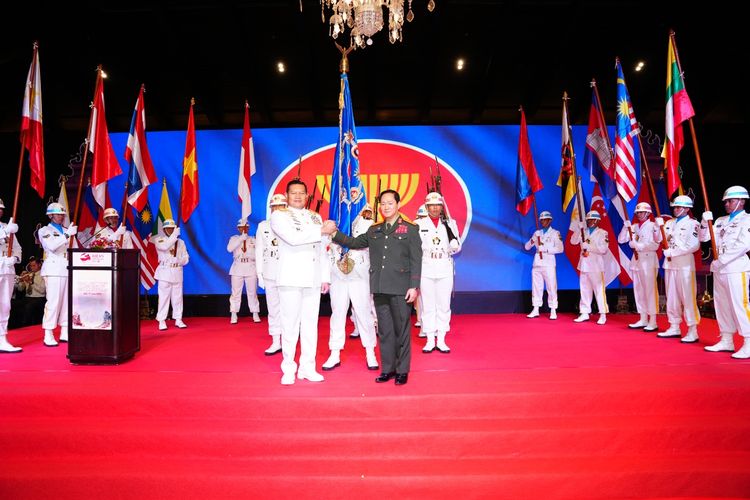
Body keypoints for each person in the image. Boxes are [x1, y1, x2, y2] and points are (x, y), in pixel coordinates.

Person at [324, 189, 422, 386]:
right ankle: (388, 369)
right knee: (385, 330)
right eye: (383, 203)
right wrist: (333, 233)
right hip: (379, 287)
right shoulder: (374, 230)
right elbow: (353, 242)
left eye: (390, 203)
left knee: (401, 330)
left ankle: (402, 370)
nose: (386, 207)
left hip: (401, 288)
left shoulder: (410, 229)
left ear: (398, 204)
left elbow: (416, 260)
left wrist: (414, 286)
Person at [270, 180, 330, 385]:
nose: (297, 196)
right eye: (293, 193)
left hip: (312, 278)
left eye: (301, 193)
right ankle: (288, 368)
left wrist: (325, 277)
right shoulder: (279, 216)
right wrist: (321, 231)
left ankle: (307, 367)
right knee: (290, 325)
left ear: (307, 196)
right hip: (290, 277)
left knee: (310, 326)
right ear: (286, 196)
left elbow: (323, 248)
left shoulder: (315, 217)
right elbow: (293, 238)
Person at [323, 204, 379, 371]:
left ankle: (370, 352)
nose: (349, 199)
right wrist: (325, 277)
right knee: (337, 314)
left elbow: (369, 248)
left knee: (364, 314)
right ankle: (334, 352)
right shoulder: (333, 221)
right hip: (338, 275)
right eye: (346, 195)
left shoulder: (369, 224)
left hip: (359, 275)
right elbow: (326, 251)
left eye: (354, 196)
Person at [699, 186, 750, 358]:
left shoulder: (747, 220)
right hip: (720, 269)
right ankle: (727, 340)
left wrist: (721, 260)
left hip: (736, 268)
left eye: (731, 201)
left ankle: (748, 342)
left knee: (740, 305)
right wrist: (704, 223)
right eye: (726, 201)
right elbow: (704, 238)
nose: (727, 204)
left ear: (742, 201)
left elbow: (743, 245)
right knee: (722, 305)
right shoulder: (720, 220)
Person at [416, 191, 461, 353]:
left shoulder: (450, 223)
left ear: (442, 206)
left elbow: (458, 246)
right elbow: (414, 249)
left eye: (437, 205)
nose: (435, 208)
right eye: (431, 205)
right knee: (428, 306)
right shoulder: (419, 225)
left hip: (444, 266)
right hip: (426, 267)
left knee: (443, 305)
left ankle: (441, 339)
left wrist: (454, 245)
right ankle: (429, 339)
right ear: (426, 207)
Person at [655, 195, 701, 342]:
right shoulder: (669, 222)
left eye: (679, 207)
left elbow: (693, 246)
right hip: (669, 265)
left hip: (684, 265)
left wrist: (673, 252)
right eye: (674, 207)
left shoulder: (693, 224)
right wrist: (658, 228)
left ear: (687, 209)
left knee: (687, 298)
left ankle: (692, 330)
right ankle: (674, 326)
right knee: (672, 297)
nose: (676, 209)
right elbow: (658, 240)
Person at [617, 202, 661, 332]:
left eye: (641, 212)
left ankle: (652, 320)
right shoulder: (634, 227)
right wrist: (626, 228)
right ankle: (643, 318)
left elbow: (655, 244)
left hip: (648, 260)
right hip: (636, 262)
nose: (639, 214)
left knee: (650, 291)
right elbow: (621, 240)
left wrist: (638, 246)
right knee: (639, 291)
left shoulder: (654, 226)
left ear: (648, 213)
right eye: (637, 213)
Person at [39, 202, 77, 346]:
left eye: (62, 214)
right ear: (50, 215)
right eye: (58, 214)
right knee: (53, 303)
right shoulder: (45, 230)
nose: (61, 216)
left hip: (68, 269)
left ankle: (65, 331)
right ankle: (48, 333)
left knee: (68, 303)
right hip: (54, 270)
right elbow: (52, 246)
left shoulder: (68, 230)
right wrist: (67, 235)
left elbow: (75, 248)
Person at [255, 193, 287, 355]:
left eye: (280, 206)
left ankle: (289, 340)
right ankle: (276, 341)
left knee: (289, 309)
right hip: (269, 272)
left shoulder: (291, 224)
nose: (276, 209)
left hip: (287, 272)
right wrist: (259, 274)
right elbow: (259, 250)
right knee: (273, 309)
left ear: (286, 207)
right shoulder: (263, 226)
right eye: (274, 207)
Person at [570, 211, 609, 325]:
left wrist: (590, 247)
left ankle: (602, 314)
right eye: (588, 220)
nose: (589, 221)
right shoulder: (584, 232)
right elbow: (573, 241)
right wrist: (578, 229)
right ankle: (585, 312)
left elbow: (604, 249)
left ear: (597, 221)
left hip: (596, 266)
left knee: (599, 291)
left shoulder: (602, 233)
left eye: (592, 219)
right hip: (584, 265)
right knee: (584, 290)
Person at [524, 210, 564, 321]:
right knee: (536, 287)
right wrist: (533, 240)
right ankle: (536, 308)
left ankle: (553, 309)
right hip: (537, 264)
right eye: (541, 220)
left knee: (551, 287)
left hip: (549, 264)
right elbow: (527, 247)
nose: (543, 222)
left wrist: (545, 249)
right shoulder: (537, 233)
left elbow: (560, 249)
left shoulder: (555, 233)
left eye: (545, 220)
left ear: (550, 220)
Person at [153, 219, 189, 331]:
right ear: (164, 229)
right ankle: (162, 320)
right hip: (164, 272)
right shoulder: (159, 240)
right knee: (164, 298)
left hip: (177, 272)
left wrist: (178, 260)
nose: (170, 230)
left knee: (177, 297)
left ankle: (178, 319)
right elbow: (164, 247)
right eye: (168, 228)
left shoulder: (181, 242)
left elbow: (186, 258)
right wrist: (174, 236)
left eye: (172, 228)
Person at [227, 218, 260, 324]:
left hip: (250, 267)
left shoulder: (253, 239)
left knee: (252, 292)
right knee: (236, 292)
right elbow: (229, 248)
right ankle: (234, 313)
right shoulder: (234, 238)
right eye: (241, 227)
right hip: (238, 268)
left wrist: (251, 255)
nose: (244, 229)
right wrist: (241, 239)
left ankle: (255, 312)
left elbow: (258, 253)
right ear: (238, 228)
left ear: (249, 228)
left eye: (246, 227)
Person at [0, 198, 22, 353]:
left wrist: (14, 258)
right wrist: (6, 232)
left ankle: (2, 338)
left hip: (7, 269)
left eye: (1, 208)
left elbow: (17, 248)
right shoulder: (6, 229)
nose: (0, 210)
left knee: (5, 305)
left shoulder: (6, 227)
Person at [15, 256, 46, 327]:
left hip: (39, 299)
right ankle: (14, 326)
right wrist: (21, 281)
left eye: (34, 265)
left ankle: (25, 327)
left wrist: (31, 282)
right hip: (28, 298)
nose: (32, 267)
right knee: (13, 304)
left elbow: (42, 291)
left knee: (29, 306)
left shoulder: (43, 275)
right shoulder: (29, 274)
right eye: (31, 266)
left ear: (39, 265)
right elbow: (20, 289)